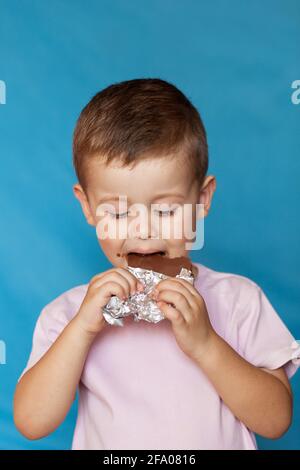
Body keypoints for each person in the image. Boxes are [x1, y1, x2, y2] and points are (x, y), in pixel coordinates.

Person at [14, 78, 300, 449]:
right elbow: (32, 422)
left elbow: (276, 421)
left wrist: (206, 344)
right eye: (117, 212)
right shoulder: (69, 314)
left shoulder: (239, 300)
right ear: (87, 207)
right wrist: (81, 330)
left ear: (202, 199)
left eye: (166, 209)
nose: (144, 230)